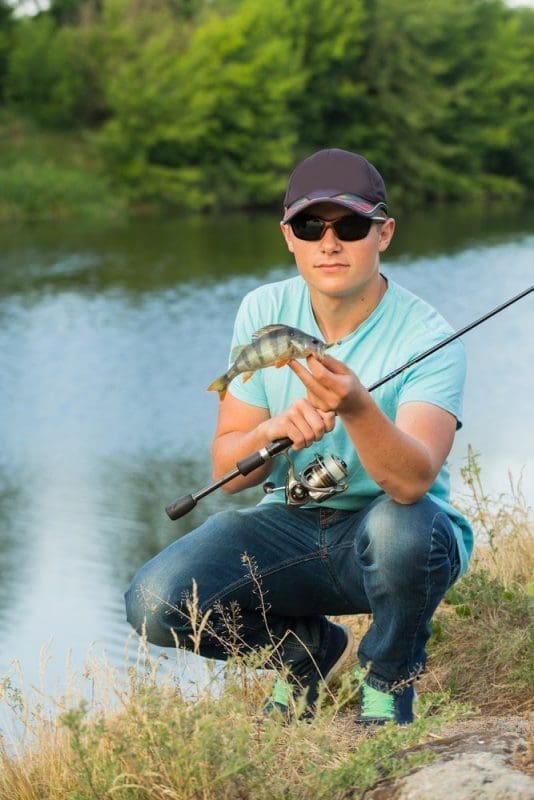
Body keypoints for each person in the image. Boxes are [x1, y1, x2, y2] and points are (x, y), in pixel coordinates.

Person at [125, 148, 473, 725]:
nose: (329, 243)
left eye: (351, 225)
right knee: (153, 603)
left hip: (394, 534)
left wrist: (358, 408)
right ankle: (303, 652)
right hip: (288, 525)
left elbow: (413, 483)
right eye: (311, 225)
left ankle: (388, 680)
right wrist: (272, 429)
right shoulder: (263, 310)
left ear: (384, 233)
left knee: (402, 529)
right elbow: (230, 468)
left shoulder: (429, 335)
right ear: (289, 236)